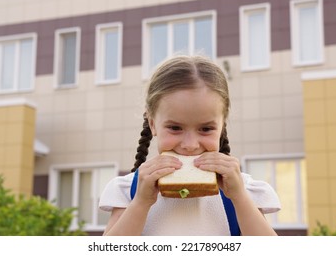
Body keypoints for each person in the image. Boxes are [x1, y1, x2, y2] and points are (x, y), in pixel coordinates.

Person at [99, 55, 280, 236]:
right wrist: (140, 202)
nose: (190, 145)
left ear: (222, 126)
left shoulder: (244, 190)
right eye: (175, 128)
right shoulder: (130, 190)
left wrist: (239, 198)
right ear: (153, 124)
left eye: (206, 129)